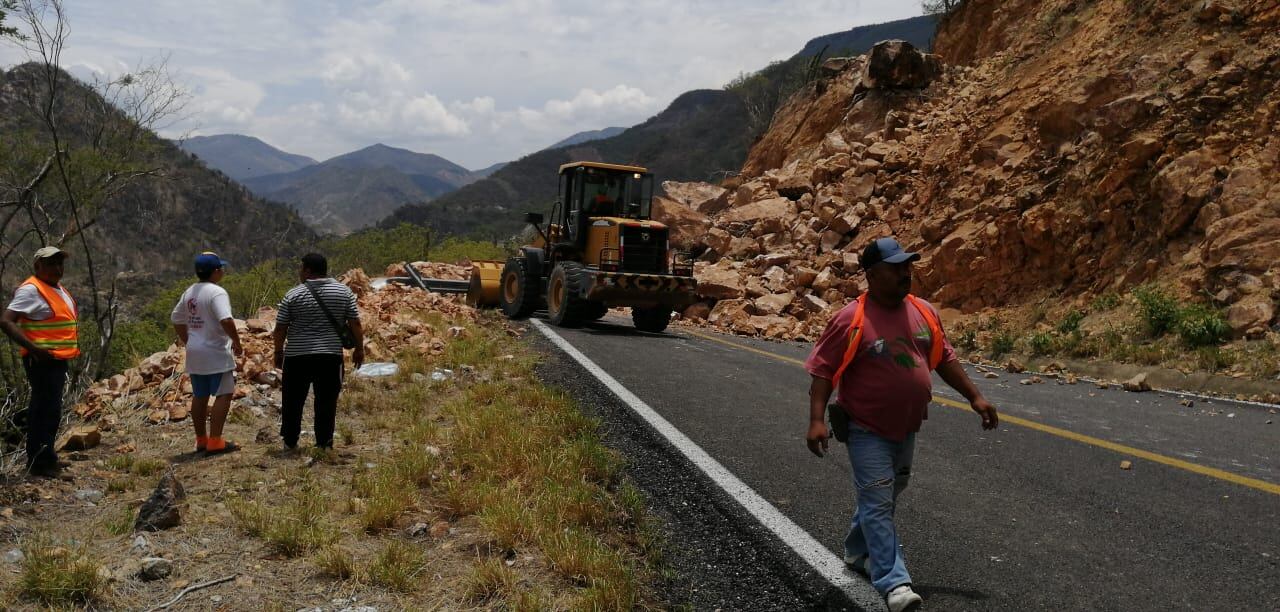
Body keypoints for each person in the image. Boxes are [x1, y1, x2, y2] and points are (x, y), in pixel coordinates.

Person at [804, 237, 998, 612]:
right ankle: (894, 583)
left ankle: (857, 551)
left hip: (906, 427)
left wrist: (975, 396)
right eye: (895, 268)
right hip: (865, 428)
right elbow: (823, 373)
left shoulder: (923, 311)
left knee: (888, 493)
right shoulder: (851, 318)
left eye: (907, 266)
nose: (905, 273)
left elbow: (943, 357)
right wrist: (815, 420)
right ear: (872, 275)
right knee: (877, 499)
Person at [0, 247, 79, 478]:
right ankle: (40, 464)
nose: (57, 268)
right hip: (42, 361)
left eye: (59, 263)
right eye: (51, 264)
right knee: (44, 410)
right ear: (38, 267)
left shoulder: (56, 288)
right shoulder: (31, 290)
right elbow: (6, 321)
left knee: (51, 409)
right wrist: (34, 349)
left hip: (56, 360)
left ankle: (47, 457)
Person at [273, 253, 363, 451]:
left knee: (293, 400)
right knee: (326, 401)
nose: (299, 272)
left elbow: (280, 328)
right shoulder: (344, 292)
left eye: (301, 268)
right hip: (330, 356)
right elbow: (355, 322)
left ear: (308, 270)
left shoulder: (293, 294)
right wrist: (359, 349)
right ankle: (324, 443)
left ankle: (290, 442)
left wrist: (278, 352)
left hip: (297, 357)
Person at [171, 252, 243, 455]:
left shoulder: (190, 291)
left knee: (200, 395)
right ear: (216, 271)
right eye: (221, 268)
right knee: (224, 394)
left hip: (195, 352)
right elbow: (226, 320)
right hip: (215, 351)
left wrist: (188, 340)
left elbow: (176, 318)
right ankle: (215, 441)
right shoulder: (217, 292)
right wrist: (236, 341)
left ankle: (201, 439)